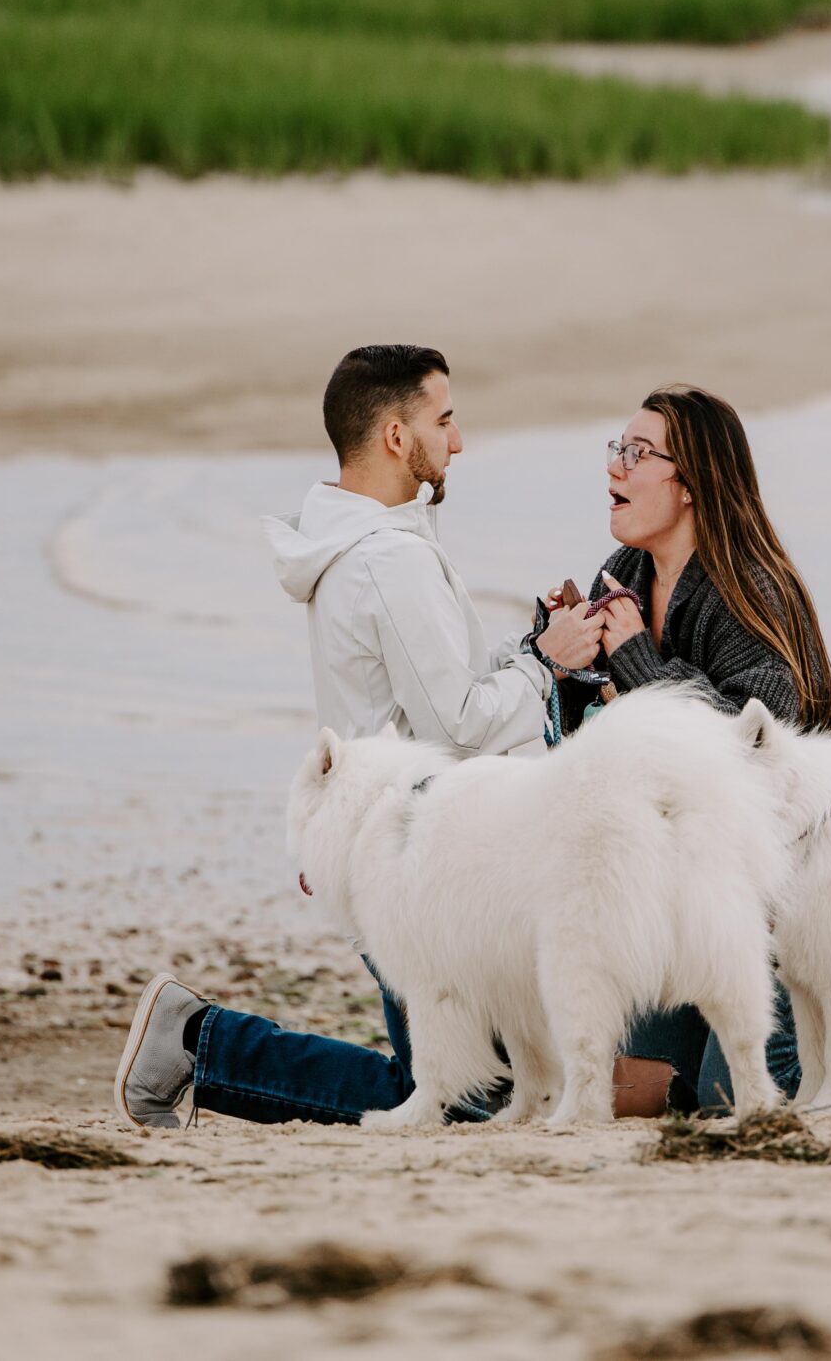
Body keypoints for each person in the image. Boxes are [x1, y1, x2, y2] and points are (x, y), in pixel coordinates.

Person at [114, 344, 608, 1127]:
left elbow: (432, 697)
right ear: (395, 435)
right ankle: (198, 1040)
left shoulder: (363, 539)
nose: (458, 440)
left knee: (473, 1087)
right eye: (444, 420)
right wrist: (547, 664)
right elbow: (457, 726)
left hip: (396, 839)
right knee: (459, 1099)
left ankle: (195, 1040)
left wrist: (529, 649)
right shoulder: (388, 558)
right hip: (420, 860)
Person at [559, 384, 831, 1121]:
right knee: (633, 1089)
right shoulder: (627, 575)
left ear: (691, 482)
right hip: (689, 894)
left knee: (732, 1094)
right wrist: (564, 668)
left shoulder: (750, 590)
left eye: (639, 453)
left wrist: (633, 658)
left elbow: (753, 752)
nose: (616, 467)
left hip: (786, 898)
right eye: (618, 448)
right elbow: (602, 748)